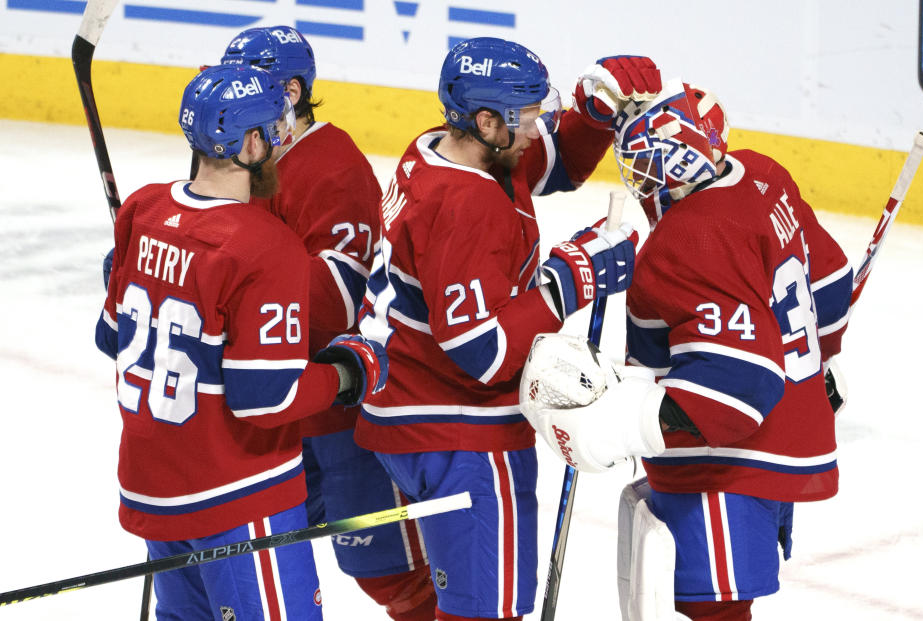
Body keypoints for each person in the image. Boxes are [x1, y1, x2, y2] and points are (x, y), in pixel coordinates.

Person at [520, 78, 854, 621]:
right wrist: (820, 362)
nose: (641, 182)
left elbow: (733, 390)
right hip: (786, 427)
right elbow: (833, 284)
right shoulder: (762, 174)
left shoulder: (689, 238)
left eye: (651, 168)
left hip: (728, 463)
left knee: (714, 611)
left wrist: (613, 424)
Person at [354, 37, 660, 620]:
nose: (535, 129)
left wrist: (590, 120)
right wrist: (572, 277)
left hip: (406, 416)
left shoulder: (436, 149)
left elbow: (556, 160)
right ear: (486, 120)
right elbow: (482, 351)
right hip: (461, 435)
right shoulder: (465, 204)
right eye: (524, 118)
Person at [94, 63, 386, 621]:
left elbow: (110, 335)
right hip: (236, 500)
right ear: (250, 143)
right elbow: (265, 398)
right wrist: (351, 372)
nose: (280, 144)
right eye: (273, 133)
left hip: (153, 491)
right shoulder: (265, 245)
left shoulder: (143, 210)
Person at [220, 25, 438, 621]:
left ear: (292, 91)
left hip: (340, 406)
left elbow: (338, 307)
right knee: (251, 561)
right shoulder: (248, 155)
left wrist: (227, 293)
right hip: (277, 402)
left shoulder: (332, 170)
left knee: (392, 576)